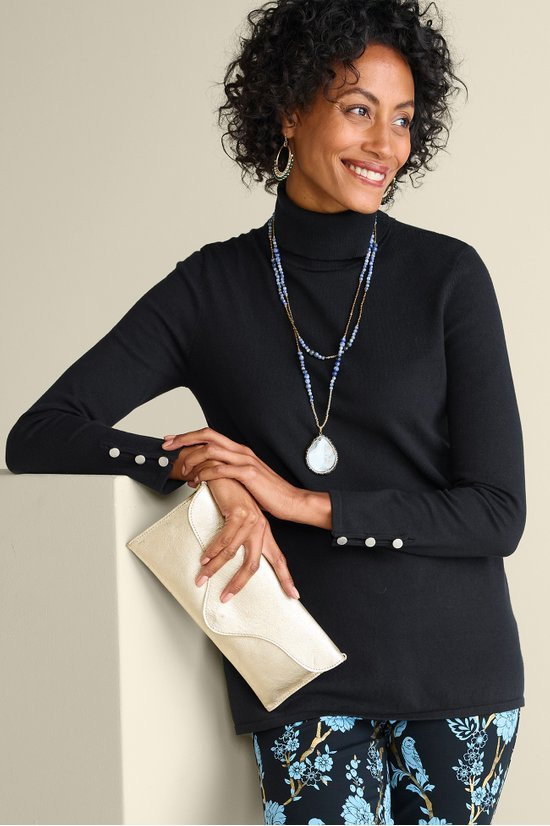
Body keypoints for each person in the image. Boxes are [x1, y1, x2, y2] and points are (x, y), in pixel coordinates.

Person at [5, 0, 525, 823]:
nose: (385, 145)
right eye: (358, 110)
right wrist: (199, 471)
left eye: (402, 119)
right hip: (303, 675)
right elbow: (37, 435)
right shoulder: (210, 289)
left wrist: (299, 501)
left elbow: (498, 513)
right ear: (289, 110)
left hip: (462, 679)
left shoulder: (449, 278)